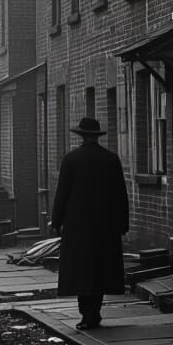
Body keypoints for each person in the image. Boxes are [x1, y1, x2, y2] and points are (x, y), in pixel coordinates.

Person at [50, 117, 129, 331]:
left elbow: (62, 193)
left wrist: (56, 220)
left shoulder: (71, 159)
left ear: (81, 136)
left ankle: (86, 314)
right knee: (101, 269)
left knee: (81, 271)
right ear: (96, 136)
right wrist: (123, 222)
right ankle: (95, 311)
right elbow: (121, 194)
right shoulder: (111, 159)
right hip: (106, 225)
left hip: (78, 225)